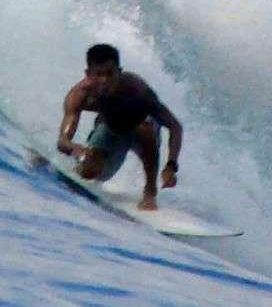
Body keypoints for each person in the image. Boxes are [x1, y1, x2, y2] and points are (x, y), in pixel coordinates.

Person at [58, 43, 183, 211]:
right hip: (111, 130)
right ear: (88, 74)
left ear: (119, 71)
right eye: (99, 74)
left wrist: (170, 167)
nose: (105, 80)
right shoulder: (80, 95)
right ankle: (82, 167)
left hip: (144, 135)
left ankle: (149, 191)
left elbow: (175, 127)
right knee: (88, 171)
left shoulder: (138, 90)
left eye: (110, 74)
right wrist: (76, 150)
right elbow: (63, 141)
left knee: (145, 127)